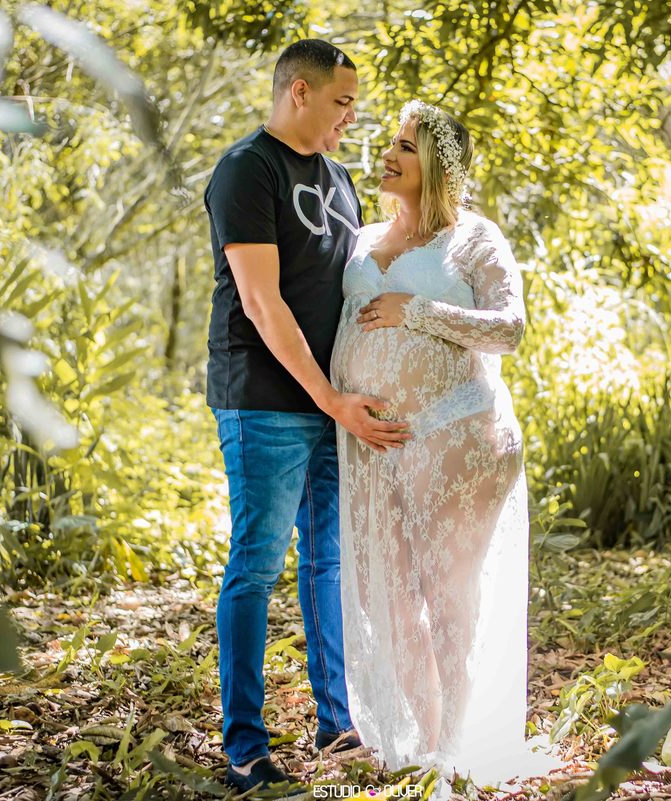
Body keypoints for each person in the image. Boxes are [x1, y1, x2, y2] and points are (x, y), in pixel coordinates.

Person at [203, 39, 410, 792]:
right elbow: (262, 302)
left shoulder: (340, 178)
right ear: (299, 91)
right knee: (257, 565)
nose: (351, 117)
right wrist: (328, 398)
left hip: (335, 404)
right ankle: (245, 746)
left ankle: (337, 723)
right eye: (341, 102)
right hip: (265, 400)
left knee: (329, 561)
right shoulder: (246, 169)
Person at [330, 101, 558, 786]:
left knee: (447, 597)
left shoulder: (475, 239)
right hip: (374, 444)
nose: (388, 153)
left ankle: (455, 752)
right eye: (392, 142)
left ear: (439, 165)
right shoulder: (362, 236)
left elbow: (510, 328)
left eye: (406, 146)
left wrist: (419, 310)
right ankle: (420, 745)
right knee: (391, 599)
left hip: (460, 432)